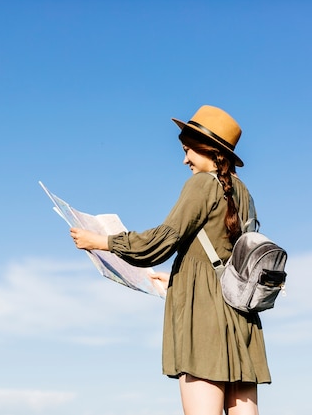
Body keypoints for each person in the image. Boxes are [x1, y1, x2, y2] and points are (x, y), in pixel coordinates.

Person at [70, 105, 270, 415]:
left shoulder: (202, 184)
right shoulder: (244, 193)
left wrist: (101, 242)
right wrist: (175, 280)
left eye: (189, 150)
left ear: (210, 150)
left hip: (204, 316)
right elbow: (222, 257)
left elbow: (162, 241)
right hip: (240, 317)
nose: (185, 159)